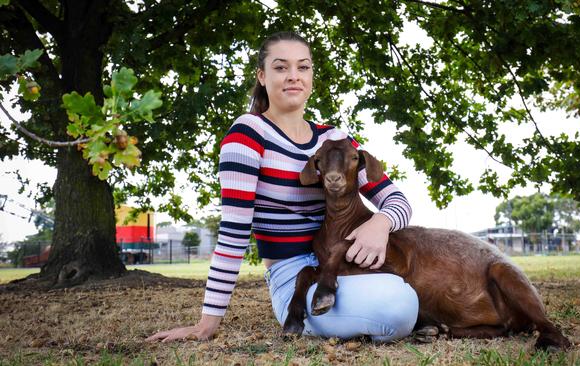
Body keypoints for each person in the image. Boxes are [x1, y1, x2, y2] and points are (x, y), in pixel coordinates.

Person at [146, 31, 418, 343]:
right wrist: (207, 324)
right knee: (398, 305)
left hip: (345, 264)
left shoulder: (334, 139)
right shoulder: (248, 134)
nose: (293, 76)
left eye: (303, 67)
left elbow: (397, 201)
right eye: (280, 67)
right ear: (262, 76)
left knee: (416, 283)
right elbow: (233, 235)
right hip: (293, 276)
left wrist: (380, 222)